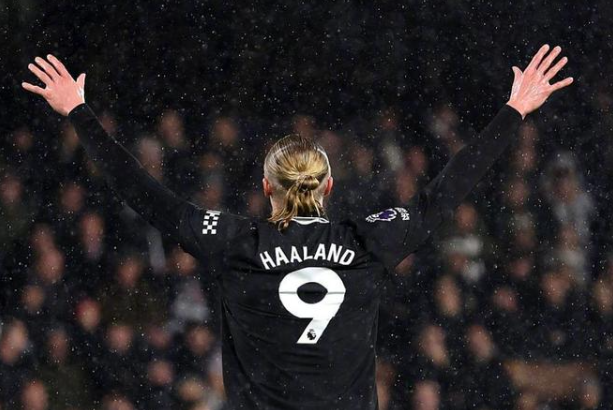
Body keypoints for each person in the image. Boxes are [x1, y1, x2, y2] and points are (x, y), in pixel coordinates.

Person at [22, 45, 572, 409]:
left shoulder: (237, 242)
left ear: (266, 188)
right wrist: (513, 112)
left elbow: (145, 194)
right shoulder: (365, 240)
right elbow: (446, 192)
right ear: (329, 187)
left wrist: (79, 113)